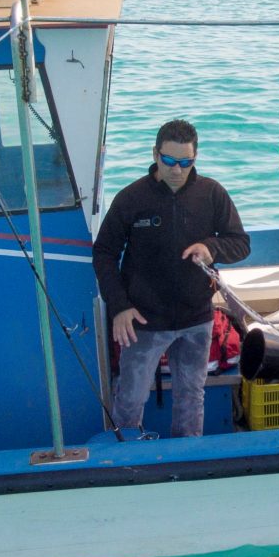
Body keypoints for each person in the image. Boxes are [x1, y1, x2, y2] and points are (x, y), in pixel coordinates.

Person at [93, 119, 252, 438]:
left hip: (197, 318)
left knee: (191, 397)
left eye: (185, 162)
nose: (176, 170)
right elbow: (104, 253)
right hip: (144, 321)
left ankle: (186, 461)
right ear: (155, 153)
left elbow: (240, 243)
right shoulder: (131, 198)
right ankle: (127, 460)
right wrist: (120, 306)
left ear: (195, 158)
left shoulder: (212, 193)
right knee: (129, 400)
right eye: (168, 161)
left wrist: (211, 248)